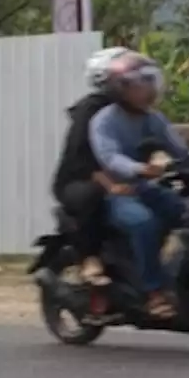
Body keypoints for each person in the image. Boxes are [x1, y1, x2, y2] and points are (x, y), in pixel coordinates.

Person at [88, 51, 189, 319]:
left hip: (144, 187)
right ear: (121, 88)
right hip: (116, 192)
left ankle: (178, 274)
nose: (149, 89)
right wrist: (139, 168)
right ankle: (154, 292)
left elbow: (179, 149)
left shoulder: (153, 119)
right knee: (144, 223)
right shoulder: (104, 121)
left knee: (183, 209)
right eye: (140, 83)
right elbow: (110, 157)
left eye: (150, 81)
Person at [50, 47, 134, 286]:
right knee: (92, 196)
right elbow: (83, 155)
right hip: (79, 180)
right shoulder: (92, 109)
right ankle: (90, 259)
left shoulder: (133, 108)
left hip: (118, 177)